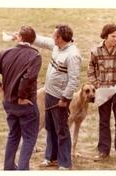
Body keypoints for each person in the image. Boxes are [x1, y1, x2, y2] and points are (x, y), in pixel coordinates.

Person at [0, 25, 42, 170]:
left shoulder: (5, 52)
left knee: (13, 135)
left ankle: (9, 167)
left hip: (8, 102)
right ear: (33, 41)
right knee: (29, 139)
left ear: (19, 37)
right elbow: (28, 78)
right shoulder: (35, 56)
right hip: (25, 104)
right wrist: (22, 97)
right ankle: (22, 171)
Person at [33, 24, 81, 170]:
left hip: (60, 99)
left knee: (62, 130)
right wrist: (27, 37)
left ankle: (65, 163)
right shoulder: (57, 46)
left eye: (54, 36)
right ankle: (51, 157)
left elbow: (73, 80)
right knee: (50, 127)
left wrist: (65, 99)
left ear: (60, 38)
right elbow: (43, 41)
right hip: (49, 94)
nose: (52, 37)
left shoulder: (73, 55)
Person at [87, 23, 116, 163]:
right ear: (106, 35)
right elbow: (90, 71)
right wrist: (97, 86)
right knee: (103, 122)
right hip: (102, 92)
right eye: (113, 36)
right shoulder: (95, 52)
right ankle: (103, 151)